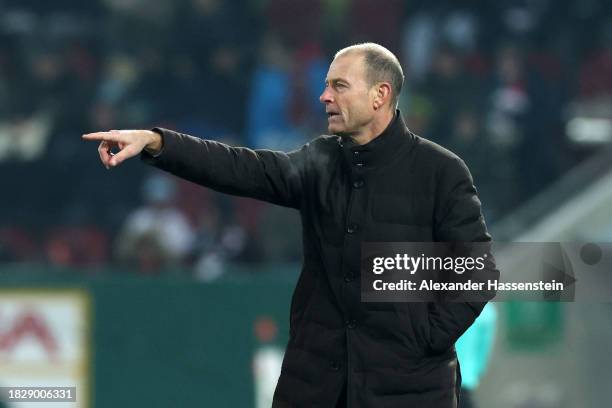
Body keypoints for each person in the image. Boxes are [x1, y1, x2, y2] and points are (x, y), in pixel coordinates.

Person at [83, 43, 498, 408]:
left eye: (339, 86)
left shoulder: (441, 172)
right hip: (314, 385)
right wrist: (160, 143)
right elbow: (241, 168)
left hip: (409, 392)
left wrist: (421, 339)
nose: (324, 96)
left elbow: (477, 274)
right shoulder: (319, 162)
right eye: (326, 85)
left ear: (380, 95)